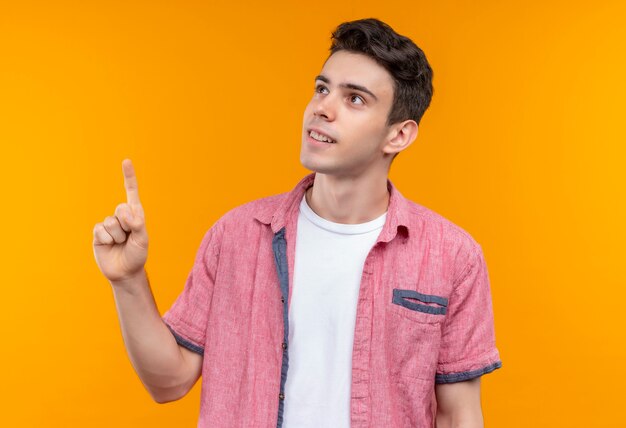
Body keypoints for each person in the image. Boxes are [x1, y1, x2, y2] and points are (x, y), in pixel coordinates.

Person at [93, 18, 501, 428]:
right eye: (322, 89)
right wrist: (128, 281)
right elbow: (169, 382)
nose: (322, 107)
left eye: (355, 99)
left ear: (398, 136)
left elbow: (459, 414)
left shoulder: (451, 255)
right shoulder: (236, 235)